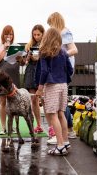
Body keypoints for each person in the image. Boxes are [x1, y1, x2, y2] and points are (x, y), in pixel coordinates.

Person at [35, 28, 73, 156]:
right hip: (63, 85)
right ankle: (65, 142)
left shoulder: (44, 52)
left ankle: (60, 146)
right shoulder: (63, 52)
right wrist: (65, 80)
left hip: (52, 85)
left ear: (46, 38)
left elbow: (44, 71)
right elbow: (70, 69)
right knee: (61, 114)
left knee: (53, 115)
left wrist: (40, 88)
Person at [47, 12, 78, 143]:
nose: (49, 26)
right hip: (61, 68)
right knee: (62, 104)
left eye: (50, 24)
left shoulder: (64, 32)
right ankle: (69, 131)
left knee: (60, 106)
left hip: (63, 69)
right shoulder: (59, 33)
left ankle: (62, 136)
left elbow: (74, 49)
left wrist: (59, 54)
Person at [0, 25, 21, 135]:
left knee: (13, 103)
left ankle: (12, 127)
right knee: (3, 102)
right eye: (7, 34)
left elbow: (22, 62)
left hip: (14, 76)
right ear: (3, 35)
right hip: (2, 77)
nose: (9, 36)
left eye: (11, 34)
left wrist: (21, 58)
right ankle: (3, 127)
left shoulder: (17, 46)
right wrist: (4, 49)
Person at [24, 24, 45, 133]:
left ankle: (51, 126)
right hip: (31, 71)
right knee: (34, 100)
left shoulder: (46, 44)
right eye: (34, 34)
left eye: (38, 34)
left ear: (43, 34)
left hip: (42, 70)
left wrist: (38, 56)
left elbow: (42, 58)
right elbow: (25, 62)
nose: (36, 36)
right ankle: (38, 125)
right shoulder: (29, 45)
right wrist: (27, 57)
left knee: (44, 100)